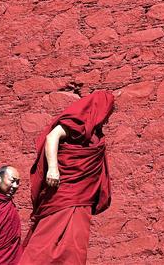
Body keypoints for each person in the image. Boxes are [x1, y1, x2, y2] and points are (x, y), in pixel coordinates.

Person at [20, 91, 114, 265]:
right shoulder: (77, 122)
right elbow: (52, 137)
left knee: (74, 246)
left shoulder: (95, 135)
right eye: (107, 113)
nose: (108, 119)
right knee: (46, 242)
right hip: (63, 194)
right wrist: (53, 169)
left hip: (81, 197)